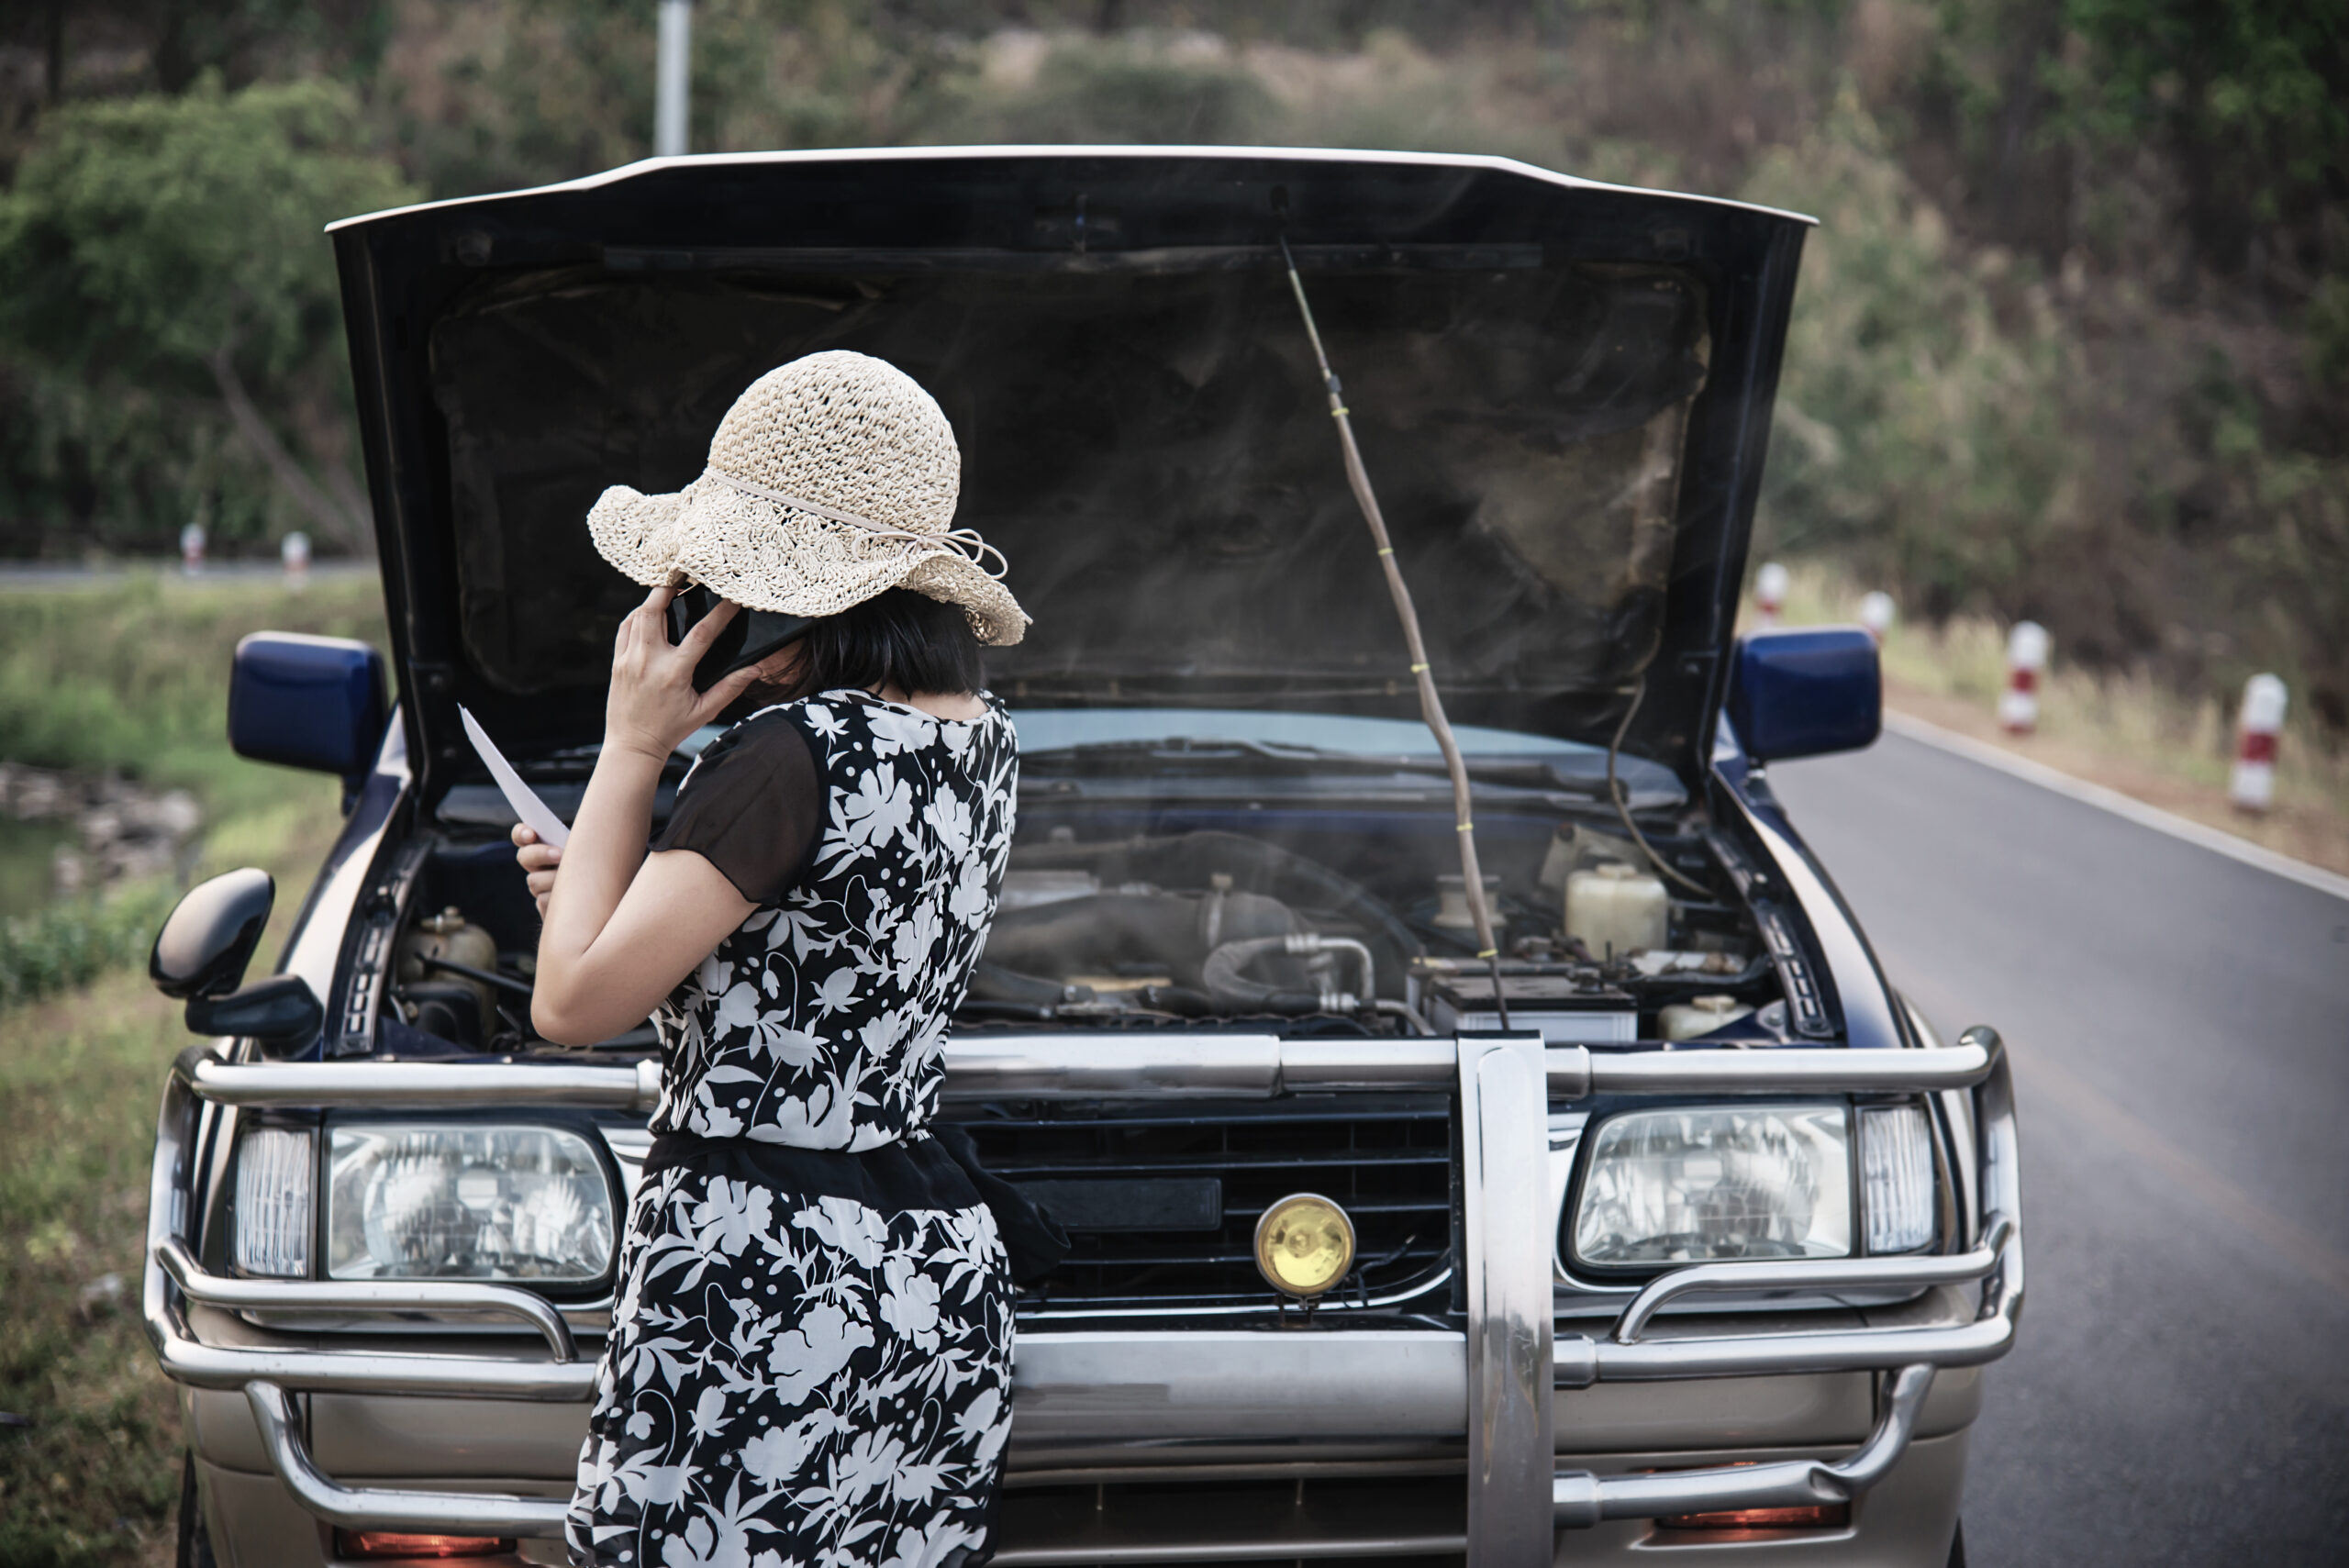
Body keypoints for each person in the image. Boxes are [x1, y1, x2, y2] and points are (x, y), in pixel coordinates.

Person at [512, 350, 1030, 1568]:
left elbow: (571, 1003)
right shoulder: (984, 740)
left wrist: (631, 747)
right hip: (921, 1277)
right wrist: (610, 880)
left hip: (759, 1279)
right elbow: (819, 962)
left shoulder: (792, 755)